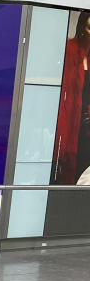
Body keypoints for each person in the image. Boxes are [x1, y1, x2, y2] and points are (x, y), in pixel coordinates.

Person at [52, 10, 90, 185]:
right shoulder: (70, 49)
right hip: (72, 118)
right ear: (82, 28)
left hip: (88, 120)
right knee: (69, 163)